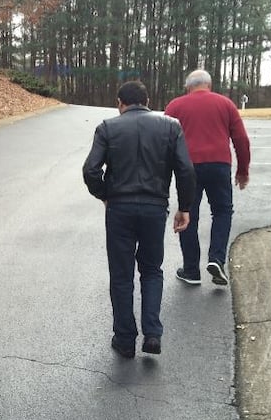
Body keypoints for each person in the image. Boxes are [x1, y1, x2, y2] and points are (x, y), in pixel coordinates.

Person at [83, 81, 196, 358]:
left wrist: (104, 195)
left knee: (121, 274)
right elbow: (185, 169)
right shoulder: (171, 126)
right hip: (154, 208)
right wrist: (185, 207)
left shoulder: (107, 128)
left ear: (120, 102)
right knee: (151, 269)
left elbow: (91, 170)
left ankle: (124, 338)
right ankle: (153, 334)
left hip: (119, 209)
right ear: (147, 100)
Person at [164, 70, 251, 286]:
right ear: (209, 86)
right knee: (222, 211)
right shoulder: (226, 104)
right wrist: (243, 170)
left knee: (187, 214)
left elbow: (163, 141)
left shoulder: (175, 106)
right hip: (219, 165)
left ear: (188, 87)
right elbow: (241, 139)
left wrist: (162, 176)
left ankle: (192, 270)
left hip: (187, 168)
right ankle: (217, 260)